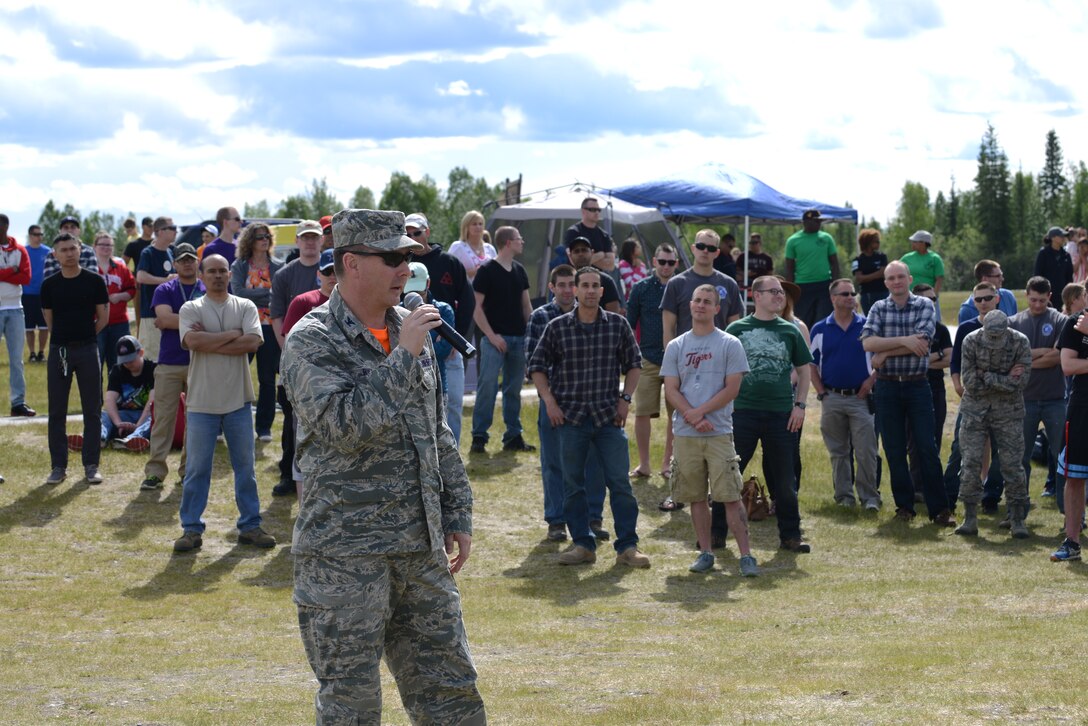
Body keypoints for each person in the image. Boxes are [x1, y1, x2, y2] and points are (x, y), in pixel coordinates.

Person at [280, 209, 485, 724]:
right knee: (353, 708)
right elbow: (344, 426)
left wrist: (456, 511)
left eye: (410, 256)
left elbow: (437, 431)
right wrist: (404, 356)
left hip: (420, 551)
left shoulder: (408, 329)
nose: (406, 269)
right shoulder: (312, 339)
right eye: (393, 258)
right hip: (346, 559)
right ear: (351, 263)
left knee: (452, 697)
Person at [529, 265, 650, 568]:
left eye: (596, 285)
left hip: (608, 418)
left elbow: (635, 364)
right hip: (570, 419)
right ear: (576, 290)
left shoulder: (617, 325)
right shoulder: (557, 327)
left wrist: (625, 399)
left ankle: (628, 547)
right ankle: (582, 544)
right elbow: (538, 367)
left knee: (620, 484)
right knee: (573, 486)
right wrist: (549, 402)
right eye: (584, 285)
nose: (590, 291)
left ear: (601, 290)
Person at [173, 254, 274, 553]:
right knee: (196, 470)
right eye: (212, 271)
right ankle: (191, 530)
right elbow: (192, 343)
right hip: (201, 401)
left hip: (238, 400)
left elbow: (253, 342)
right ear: (202, 275)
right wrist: (232, 335)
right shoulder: (190, 307)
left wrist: (209, 338)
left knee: (246, 469)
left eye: (222, 271)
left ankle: (250, 526)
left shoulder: (245, 306)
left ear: (230, 275)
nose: (217, 276)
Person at [708, 276, 812, 552]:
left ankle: (791, 536)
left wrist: (799, 406)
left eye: (781, 292)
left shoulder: (790, 330)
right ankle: (715, 534)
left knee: (785, 480)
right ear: (756, 296)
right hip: (742, 413)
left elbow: (804, 372)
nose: (780, 296)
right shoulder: (736, 329)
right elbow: (720, 371)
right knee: (729, 474)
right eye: (774, 292)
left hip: (781, 415)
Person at [662, 284, 757, 575]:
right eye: (697, 300)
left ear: (718, 309)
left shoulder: (729, 344)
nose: (701, 305)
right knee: (696, 497)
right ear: (690, 305)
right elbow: (671, 389)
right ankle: (705, 552)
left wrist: (699, 413)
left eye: (707, 302)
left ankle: (746, 556)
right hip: (688, 435)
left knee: (729, 495)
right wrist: (692, 418)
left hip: (718, 433)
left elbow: (733, 388)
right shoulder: (676, 346)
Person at [861, 261, 955, 526]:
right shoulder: (878, 307)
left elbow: (923, 343)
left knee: (927, 447)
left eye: (901, 276)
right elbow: (867, 342)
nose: (896, 281)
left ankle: (939, 509)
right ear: (886, 282)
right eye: (891, 278)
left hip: (917, 385)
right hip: (887, 387)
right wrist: (904, 341)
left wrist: (886, 351)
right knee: (893, 448)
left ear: (910, 279)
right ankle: (904, 506)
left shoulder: (924, 305)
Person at [660, 229, 744, 508]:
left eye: (711, 247)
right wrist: (673, 365)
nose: (705, 251)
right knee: (681, 424)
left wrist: (729, 363)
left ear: (717, 253)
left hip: (718, 368)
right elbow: (668, 328)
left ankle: (716, 489)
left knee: (718, 428)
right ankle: (679, 488)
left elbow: (734, 327)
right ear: (693, 249)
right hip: (684, 367)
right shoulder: (677, 283)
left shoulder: (728, 284)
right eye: (700, 246)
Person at [525, 264, 608, 542]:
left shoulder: (592, 316)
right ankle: (557, 520)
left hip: (589, 403)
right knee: (554, 464)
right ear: (551, 287)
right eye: (560, 285)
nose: (566, 290)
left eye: (570, 284)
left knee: (593, 462)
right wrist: (549, 401)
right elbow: (534, 364)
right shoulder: (541, 317)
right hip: (554, 403)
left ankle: (593, 518)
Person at [954, 311, 1032, 538]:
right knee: (970, 462)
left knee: (1012, 465)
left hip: (1009, 412)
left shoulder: (1020, 342)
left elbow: (1020, 383)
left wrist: (986, 375)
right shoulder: (971, 340)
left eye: (999, 337)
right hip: (974, 411)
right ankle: (970, 518)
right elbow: (969, 381)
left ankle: (1017, 518)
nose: (995, 341)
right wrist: (1004, 377)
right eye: (991, 336)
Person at [40, 233, 109, 485]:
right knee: (57, 411)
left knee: (92, 409)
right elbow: (50, 321)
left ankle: (91, 465)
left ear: (80, 250)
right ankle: (58, 466)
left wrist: (86, 336)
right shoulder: (49, 285)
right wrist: (65, 339)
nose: (69, 253)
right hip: (60, 350)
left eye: (73, 248)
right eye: (64, 250)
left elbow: (103, 318)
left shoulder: (94, 281)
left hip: (88, 349)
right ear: (55, 254)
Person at [810, 279, 880, 510]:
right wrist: (821, 392)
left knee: (866, 450)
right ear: (833, 298)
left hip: (861, 399)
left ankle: (869, 497)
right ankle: (844, 497)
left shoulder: (867, 325)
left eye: (852, 293)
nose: (851, 297)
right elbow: (810, 364)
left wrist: (870, 382)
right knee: (838, 452)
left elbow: (880, 358)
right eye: (845, 294)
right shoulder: (820, 328)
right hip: (832, 397)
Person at [406, 212, 475, 446]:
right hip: (413, 346)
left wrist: (458, 338)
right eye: (407, 234)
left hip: (448, 344)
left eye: (417, 232)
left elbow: (467, 301)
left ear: (427, 231)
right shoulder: (399, 262)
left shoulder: (449, 262)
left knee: (452, 402)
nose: (413, 237)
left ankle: (451, 451)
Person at [140, 243, 203, 491]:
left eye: (191, 259)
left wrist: (174, 321)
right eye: (182, 260)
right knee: (163, 419)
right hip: (168, 362)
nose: (187, 263)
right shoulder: (165, 288)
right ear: (174, 264)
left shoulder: (205, 287)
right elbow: (163, 318)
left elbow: (212, 319)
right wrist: (195, 322)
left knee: (195, 420)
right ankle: (155, 471)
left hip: (199, 362)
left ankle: (188, 470)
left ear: (197, 262)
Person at [268, 219, 323, 496]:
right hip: (293, 356)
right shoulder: (284, 275)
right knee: (292, 418)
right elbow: (277, 317)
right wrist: (290, 352)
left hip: (328, 362)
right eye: (306, 237)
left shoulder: (333, 269)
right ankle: (288, 474)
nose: (310, 242)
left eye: (315, 237)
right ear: (298, 241)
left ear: (322, 240)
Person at [469, 225, 535, 454]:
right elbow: (475, 308)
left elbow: (526, 306)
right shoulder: (486, 271)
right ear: (508, 242)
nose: (523, 241)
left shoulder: (519, 270)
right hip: (493, 340)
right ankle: (479, 436)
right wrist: (491, 336)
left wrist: (530, 335)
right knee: (487, 386)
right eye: (519, 238)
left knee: (513, 389)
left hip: (518, 338)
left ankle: (513, 436)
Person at [278, 248, 337, 501]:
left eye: (337, 271)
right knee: (303, 445)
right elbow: (291, 344)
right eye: (327, 272)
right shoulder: (304, 302)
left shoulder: (355, 304)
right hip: (306, 387)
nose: (333, 276)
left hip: (339, 389)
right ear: (318, 274)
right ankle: (305, 508)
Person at [1008, 277, 1068, 514]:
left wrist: (1027, 360)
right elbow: (1011, 358)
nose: (1037, 305)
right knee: (1020, 458)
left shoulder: (1060, 320)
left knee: (1062, 458)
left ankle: (1069, 514)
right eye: (1033, 300)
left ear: (1050, 297)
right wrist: (1044, 352)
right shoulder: (1014, 322)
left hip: (1055, 399)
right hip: (1024, 399)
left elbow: (1059, 356)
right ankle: (1018, 511)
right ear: (1026, 295)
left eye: (1042, 301)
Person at [943, 282, 1004, 511]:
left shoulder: (1010, 328)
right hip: (972, 400)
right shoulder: (966, 328)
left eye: (987, 298)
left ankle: (991, 496)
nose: (983, 303)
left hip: (1000, 401)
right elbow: (954, 362)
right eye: (978, 300)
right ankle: (948, 498)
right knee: (960, 447)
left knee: (1001, 449)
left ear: (997, 299)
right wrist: (958, 387)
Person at [627, 245, 679, 480]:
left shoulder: (682, 287)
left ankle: (667, 464)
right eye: (662, 261)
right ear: (654, 262)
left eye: (670, 262)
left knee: (676, 414)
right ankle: (644, 464)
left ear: (676, 263)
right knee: (642, 412)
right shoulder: (641, 288)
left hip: (676, 360)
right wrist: (630, 356)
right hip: (647, 357)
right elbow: (629, 323)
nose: (666, 266)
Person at [231, 222, 285, 442]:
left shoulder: (279, 266)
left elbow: (279, 296)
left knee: (267, 379)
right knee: (236, 377)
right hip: (245, 327)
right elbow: (238, 293)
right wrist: (266, 294)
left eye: (267, 237)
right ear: (249, 241)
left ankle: (263, 428)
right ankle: (229, 423)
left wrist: (257, 294)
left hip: (271, 327)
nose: (264, 240)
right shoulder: (240, 266)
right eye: (259, 236)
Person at [908, 284, 952, 498]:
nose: (931, 304)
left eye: (934, 299)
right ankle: (916, 487)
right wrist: (938, 356)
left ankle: (932, 486)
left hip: (935, 389)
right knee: (913, 440)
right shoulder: (906, 328)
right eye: (926, 299)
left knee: (934, 438)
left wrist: (921, 358)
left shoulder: (941, 329)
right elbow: (906, 359)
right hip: (911, 387)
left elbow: (950, 359)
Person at [1052, 309, 1088, 561]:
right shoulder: (1075, 323)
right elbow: (1067, 365)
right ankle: (1072, 541)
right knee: (1074, 477)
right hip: (1082, 408)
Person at [0, 213, 35, 416]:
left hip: (14, 309)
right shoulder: (17, 256)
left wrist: (10, 272)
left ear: (5, 226)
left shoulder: (19, 250)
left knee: (16, 359)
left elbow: (26, 277)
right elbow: (18, 275)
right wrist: (11, 271)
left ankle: (18, 403)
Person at [784, 209, 841, 328]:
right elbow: (789, 268)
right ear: (806, 222)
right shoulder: (793, 241)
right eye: (816, 221)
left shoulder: (826, 238)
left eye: (820, 221)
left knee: (823, 319)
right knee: (803, 320)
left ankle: (822, 346)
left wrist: (836, 285)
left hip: (824, 285)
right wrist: (789, 291)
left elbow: (834, 263)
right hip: (802, 287)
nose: (819, 224)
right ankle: (805, 345)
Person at [101, 335, 155, 451]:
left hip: (145, 415)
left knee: (156, 418)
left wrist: (137, 426)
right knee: (103, 415)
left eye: (131, 360)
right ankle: (99, 437)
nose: (128, 364)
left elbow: (152, 402)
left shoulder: (152, 369)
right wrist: (118, 423)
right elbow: (110, 400)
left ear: (140, 352)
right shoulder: (117, 370)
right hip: (124, 415)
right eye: (124, 361)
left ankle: (133, 439)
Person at [135, 217, 178, 360]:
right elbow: (140, 276)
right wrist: (165, 281)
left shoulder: (171, 252)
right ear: (159, 232)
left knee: (167, 358)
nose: (175, 231)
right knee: (152, 358)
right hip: (151, 314)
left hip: (169, 314)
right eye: (171, 228)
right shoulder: (148, 253)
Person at [92, 231, 135, 371]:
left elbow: (132, 289)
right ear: (94, 246)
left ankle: (116, 392)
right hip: (96, 323)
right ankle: (95, 393)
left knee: (119, 364)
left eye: (109, 245)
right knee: (95, 363)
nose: (106, 248)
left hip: (119, 323)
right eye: (102, 244)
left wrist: (120, 296)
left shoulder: (121, 268)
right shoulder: (90, 269)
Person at [565, 236, 622, 313]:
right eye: (576, 251)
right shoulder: (564, 282)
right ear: (570, 256)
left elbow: (614, 313)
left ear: (592, 253)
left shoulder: (606, 281)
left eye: (584, 250)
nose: (580, 254)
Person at [22, 223, 51, 363]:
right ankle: (32, 353)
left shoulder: (48, 251)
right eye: (36, 234)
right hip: (26, 293)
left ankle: (41, 352)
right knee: (29, 327)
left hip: (44, 293)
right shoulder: (23, 251)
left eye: (41, 234)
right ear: (30, 236)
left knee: (44, 325)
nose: (39, 237)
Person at [563, 196, 615, 271]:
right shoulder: (574, 232)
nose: (597, 212)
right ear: (583, 211)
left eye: (598, 210)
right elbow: (573, 261)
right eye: (593, 210)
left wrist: (585, 259)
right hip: (578, 278)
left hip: (597, 279)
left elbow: (610, 266)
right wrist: (600, 255)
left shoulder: (604, 235)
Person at [957, 259, 1017, 323]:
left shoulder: (1008, 297)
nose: (1002, 279)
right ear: (985, 279)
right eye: (998, 276)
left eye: (1001, 275)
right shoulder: (967, 310)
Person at [448, 209, 496, 281]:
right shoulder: (458, 247)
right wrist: (475, 271)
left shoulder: (490, 248)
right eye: (474, 224)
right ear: (466, 226)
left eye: (480, 224)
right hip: (467, 291)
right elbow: (449, 273)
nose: (478, 227)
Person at [1035, 227, 1074, 308]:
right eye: (1061, 236)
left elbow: (1069, 277)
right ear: (1053, 238)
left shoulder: (1066, 255)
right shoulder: (1044, 254)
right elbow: (1038, 274)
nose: (1063, 238)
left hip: (1062, 295)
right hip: (1047, 294)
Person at [851, 228, 888, 313]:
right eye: (876, 241)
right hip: (867, 295)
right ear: (868, 242)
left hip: (883, 292)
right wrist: (877, 274)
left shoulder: (882, 256)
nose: (879, 243)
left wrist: (866, 277)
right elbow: (859, 278)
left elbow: (883, 273)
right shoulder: (857, 260)